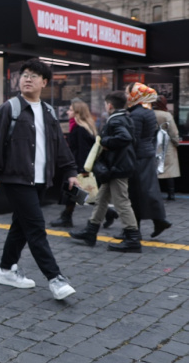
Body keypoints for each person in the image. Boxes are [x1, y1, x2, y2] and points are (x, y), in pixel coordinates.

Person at [0, 58, 79, 301]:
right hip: (16, 178)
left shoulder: (47, 111)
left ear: (44, 82)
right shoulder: (10, 108)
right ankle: (55, 278)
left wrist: (70, 172)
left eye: (33, 76)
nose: (27, 78)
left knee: (21, 226)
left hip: (40, 180)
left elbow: (60, 146)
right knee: (36, 227)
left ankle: (6, 270)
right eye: (24, 74)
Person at [69, 91, 140, 251]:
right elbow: (132, 139)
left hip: (117, 167)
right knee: (101, 199)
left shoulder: (116, 120)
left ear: (109, 105)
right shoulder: (126, 117)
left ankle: (133, 239)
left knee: (121, 202)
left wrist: (105, 141)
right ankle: (90, 231)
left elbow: (125, 137)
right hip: (117, 166)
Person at [125, 83, 171, 238]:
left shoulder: (136, 114)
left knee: (136, 192)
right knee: (148, 189)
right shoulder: (148, 111)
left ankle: (135, 229)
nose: (126, 95)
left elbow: (134, 138)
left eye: (128, 92)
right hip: (147, 154)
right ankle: (158, 220)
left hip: (138, 156)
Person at [50, 100, 98, 228]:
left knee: (74, 192)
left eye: (70, 110)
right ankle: (67, 216)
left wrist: (80, 169)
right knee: (76, 193)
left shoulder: (80, 128)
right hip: (76, 164)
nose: (67, 112)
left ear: (77, 113)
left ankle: (66, 217)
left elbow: (83, 150)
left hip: (77, 165)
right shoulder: (81, 126)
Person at [153, 96, 180, 201]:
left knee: (155, 169)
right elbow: (173, 131)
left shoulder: (150, 114)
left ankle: (156, 193)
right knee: (169, 171)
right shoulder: (166, 115)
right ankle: (171, 193)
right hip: (166, 144)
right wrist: (176, 142)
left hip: (154, 143)